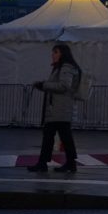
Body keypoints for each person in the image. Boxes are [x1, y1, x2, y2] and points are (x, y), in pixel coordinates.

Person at [27, 44, 83, 173]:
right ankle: (69, 163)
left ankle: (43, 163)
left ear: (63, 53)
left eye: (56, 52)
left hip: (59, 109)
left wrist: (44, 84)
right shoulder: (62, 68)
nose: (53, 54)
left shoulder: (66, 67)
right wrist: (43, 86)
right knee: (63, 136)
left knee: (50, 136)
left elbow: (64, 86)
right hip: (59, 109)